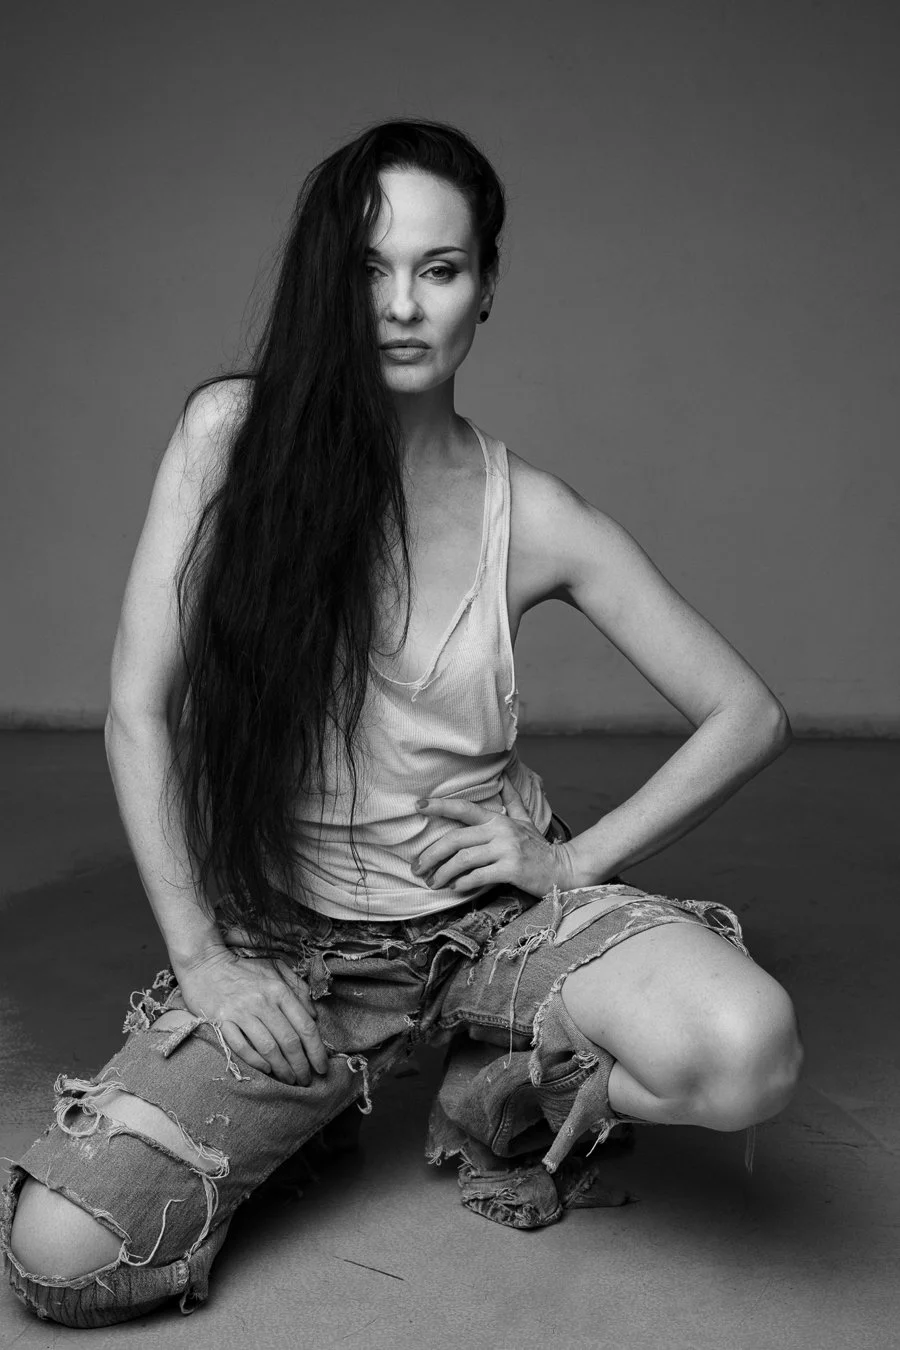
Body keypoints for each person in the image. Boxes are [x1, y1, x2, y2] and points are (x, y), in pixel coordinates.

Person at [2, 119, 802, 1328]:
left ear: (486, 287)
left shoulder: (534, 514)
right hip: (300, 949)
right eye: (369, 269)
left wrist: (571, 863)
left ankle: (498, 1072)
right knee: (62, 1257)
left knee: (745, 1053)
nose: (401, 305)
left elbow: (747, 714)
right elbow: (137, 710)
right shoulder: (230, 439)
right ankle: (331, 1096)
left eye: (439, 268)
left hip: (492, 925)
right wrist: (208, 963)